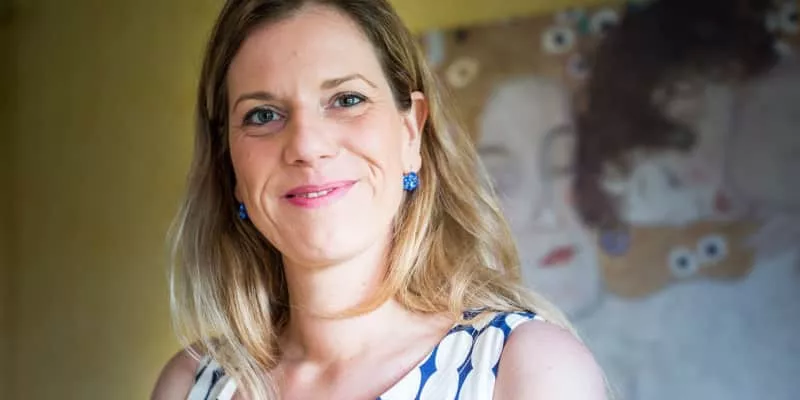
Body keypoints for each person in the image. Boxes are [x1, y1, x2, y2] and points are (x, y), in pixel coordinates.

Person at [151, 1, 607, 399]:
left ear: (411, 132)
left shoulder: (524, 368)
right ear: (231, 164)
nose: (307, 145)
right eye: (263, 114)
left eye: (346, 99)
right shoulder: (191, 384)